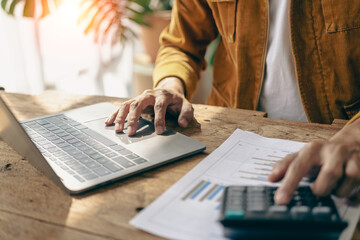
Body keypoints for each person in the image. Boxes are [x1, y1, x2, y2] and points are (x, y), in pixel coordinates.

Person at [105, 0, 360, 204]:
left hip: (340, 150)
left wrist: (355, 135)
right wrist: (170, 85)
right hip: (231, 140)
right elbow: (181, 43)